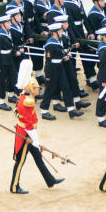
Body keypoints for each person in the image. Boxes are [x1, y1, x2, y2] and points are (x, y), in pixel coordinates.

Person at [10, 60, 64, 194]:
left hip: (27, 132)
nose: (38, 89)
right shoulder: (27, 101)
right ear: (30, 89)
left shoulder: (26, 97)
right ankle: (14, 186)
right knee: (20, 161)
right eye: (36, 88)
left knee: (38, 158)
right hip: (25, 135)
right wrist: (36, 141)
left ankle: (50, 180)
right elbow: (28, 124)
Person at [0, 14, 14, 111]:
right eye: (8, 22)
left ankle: (12, 95)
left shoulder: (8, 32)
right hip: (2, 61)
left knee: (12, 77)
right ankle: (1, 101)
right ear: (2, 24)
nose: (10, 24)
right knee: (1, 82)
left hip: (9, 59)